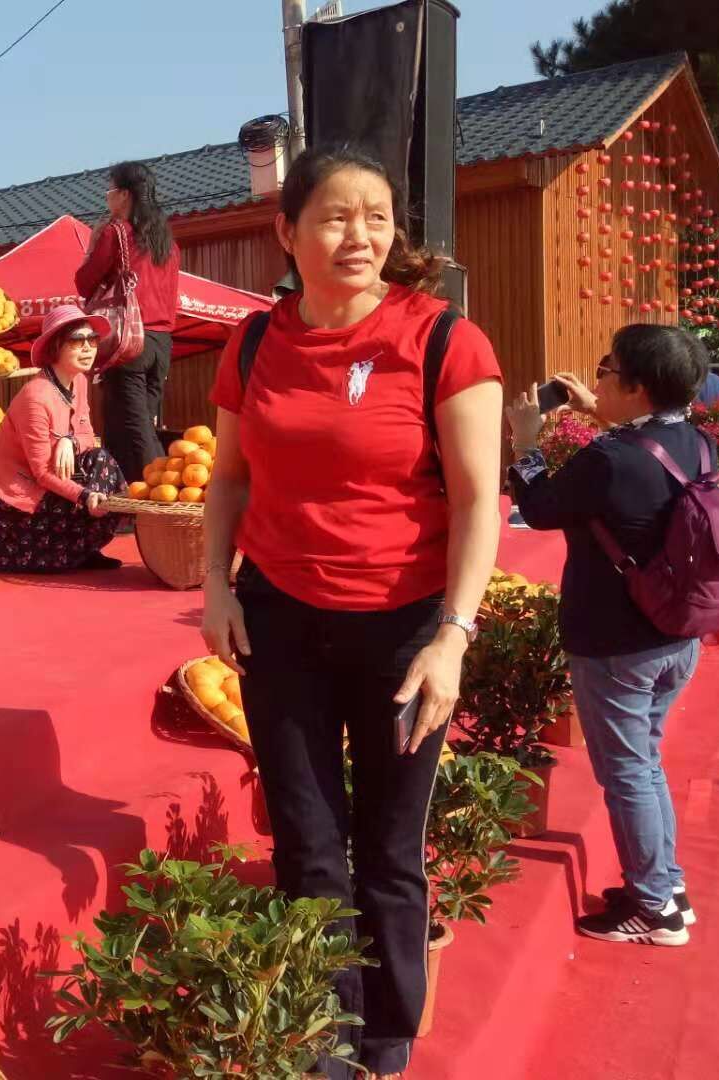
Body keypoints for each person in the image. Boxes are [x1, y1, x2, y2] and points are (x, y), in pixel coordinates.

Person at [200, 145, 504, 1079]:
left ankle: (387, 1036)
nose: (358, 234)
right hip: (281, 618)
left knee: (388, 845)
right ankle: (323, 1044)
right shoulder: (255, 343)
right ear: (287, 233)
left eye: (376, 216)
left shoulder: (444, 339)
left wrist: (455, 635)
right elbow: (228, 482)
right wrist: (216, 586)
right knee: (304, 836)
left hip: (406, 626)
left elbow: (480, 500)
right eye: (334, 216)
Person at [505, 325, 716, 947]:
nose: (595, 379)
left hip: (616, 644)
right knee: (644, 765)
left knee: (627, 772)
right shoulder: (698, 443)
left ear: (636, 386)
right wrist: (603, 414)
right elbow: (639, 473)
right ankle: (666, 886)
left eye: (606, 369)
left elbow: (539, 508)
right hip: (678, 634)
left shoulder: (608, 458)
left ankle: (655, 908)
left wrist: (524, 440)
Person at [0, 305, 126, 573]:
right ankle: (68, 552)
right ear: (56, 347)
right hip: (9, 500)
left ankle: (82, 550)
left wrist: (70, 441)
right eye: (78, 340)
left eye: (92, 339)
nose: (88, 347)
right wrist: (84, 495)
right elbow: (41, 472)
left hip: (47, 483)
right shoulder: (36, 396)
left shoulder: (79, 382)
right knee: (87, 495)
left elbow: (88, 435)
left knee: (103, 462)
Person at [75, 160, 181, 481]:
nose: (106, 198)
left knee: (134, 430)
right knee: (136, 423)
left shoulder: (116, 233)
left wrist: (92, 246)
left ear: (123, 195)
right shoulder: (168, 243)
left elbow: (83, 283)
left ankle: (162, 496)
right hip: (162, 343)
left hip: (128, 340)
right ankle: (131, 500)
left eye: (109, 190)